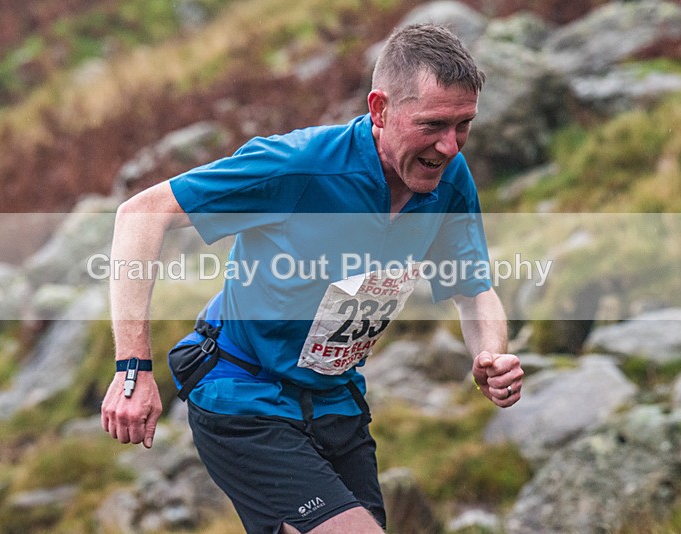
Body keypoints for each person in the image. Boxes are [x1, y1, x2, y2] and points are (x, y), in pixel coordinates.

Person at [101, 23, 523, 534]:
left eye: (464, 125)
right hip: (243, 392)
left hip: (335, 400)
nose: (450, 146)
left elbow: (473, 288)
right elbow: (142, 213)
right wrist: (132, 368)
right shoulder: (299, 167)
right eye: (432, 124)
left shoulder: (449, 178)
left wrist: (491, 355)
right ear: (380, 109)